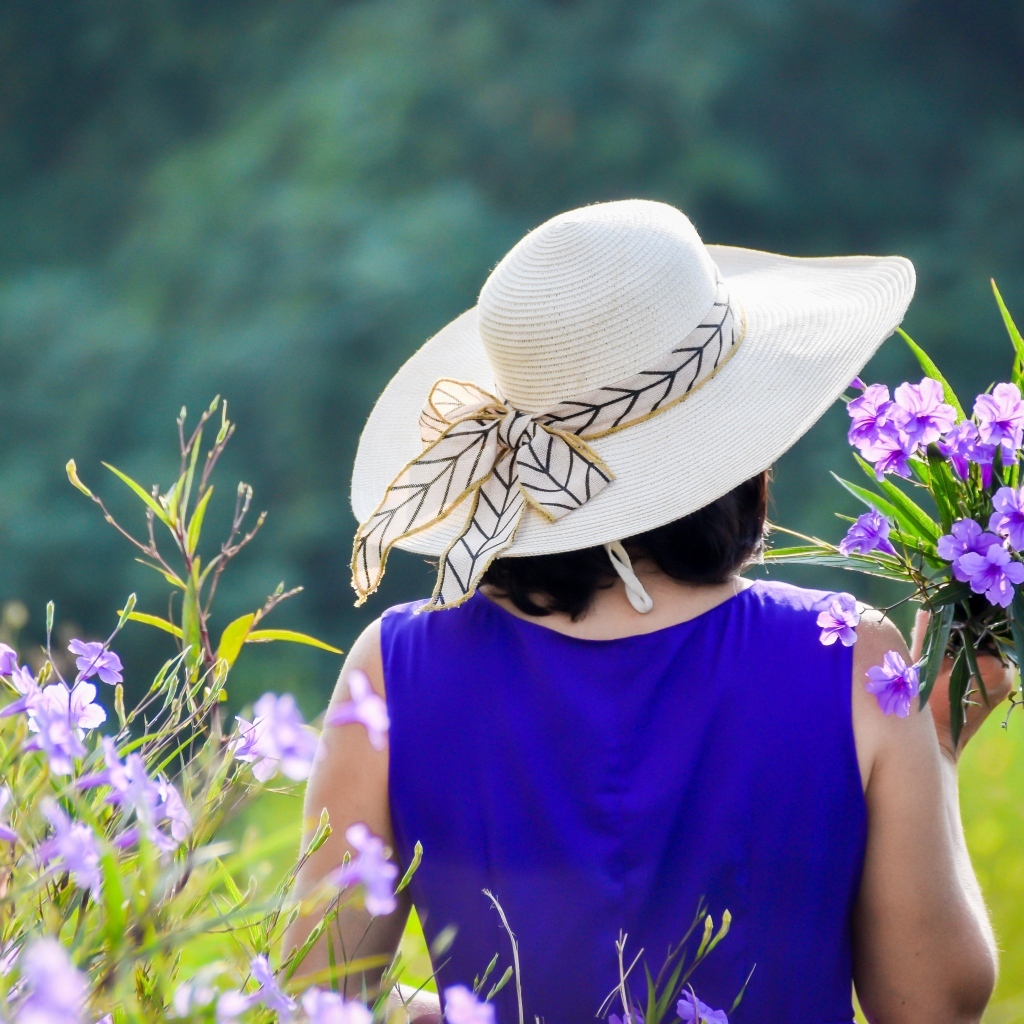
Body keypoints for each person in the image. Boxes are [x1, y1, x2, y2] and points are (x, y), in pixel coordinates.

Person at [284, 200, 1008, 1024]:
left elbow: (318, 1003)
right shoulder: (851, 661)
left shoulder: (393, 672)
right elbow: (932, 1005)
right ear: (739, 444)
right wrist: (936, 747)